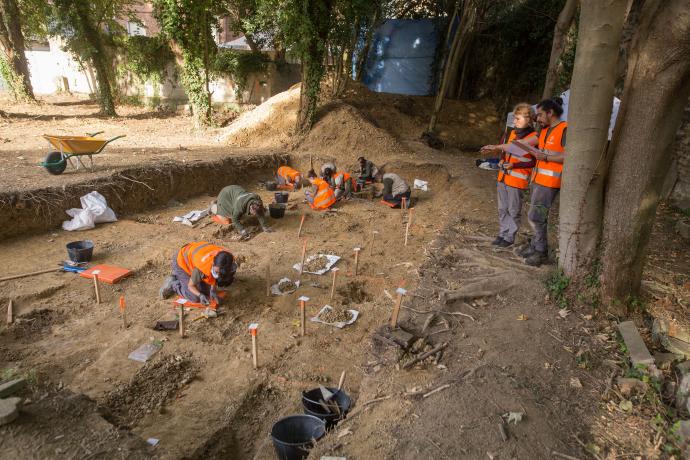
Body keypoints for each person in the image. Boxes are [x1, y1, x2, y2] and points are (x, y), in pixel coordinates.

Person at [517, 97, 567, 266]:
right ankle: (536, 245)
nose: (537, 119)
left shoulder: (565, 129)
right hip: (539, 180)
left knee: (536, 216)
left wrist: (544, 156)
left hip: (550, 182)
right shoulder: (544, 131)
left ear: (550, 113)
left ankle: (541, 252)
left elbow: (568, 156)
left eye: (539, 115)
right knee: (534, 215)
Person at [480, 103, 538, 248]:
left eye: (518, 119)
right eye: (514, 119)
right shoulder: (512, 133)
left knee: (513, 210)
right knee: (502, 208)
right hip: (503, 177)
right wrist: (502, 160)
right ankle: (502, 233)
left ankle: (510, 237)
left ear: (529, 119)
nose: (514, 122)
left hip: (517, 180)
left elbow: (534, 161)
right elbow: (506, 151)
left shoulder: (534, 137)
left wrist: (514, 165)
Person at [159, 242, 237, 314]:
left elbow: (216, 276)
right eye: (216, 272)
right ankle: (174, 283)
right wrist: (200, 295)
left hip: (194, 254)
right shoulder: (202, 267)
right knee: (194, 297)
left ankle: (186, 279)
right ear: (213, 263)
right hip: (181, 261)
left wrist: (213, 289)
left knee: (208, 292)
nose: (217, 274)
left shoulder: (227, 258)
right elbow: (191, 286)